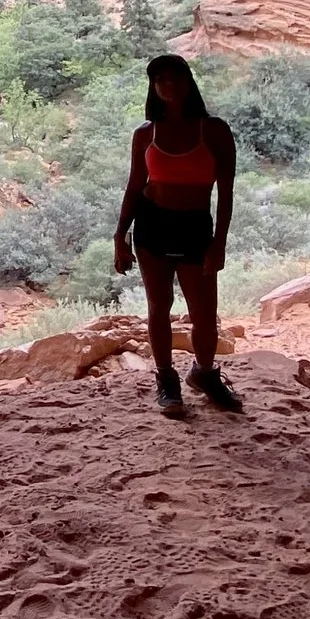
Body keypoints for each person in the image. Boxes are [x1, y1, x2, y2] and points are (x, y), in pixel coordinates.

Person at [112, 53, 242, 418]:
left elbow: (226, 192)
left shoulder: (214, 130)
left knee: (204, 312)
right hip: (152, 224)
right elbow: (135, 187)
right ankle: (166, 379)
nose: (168, 85)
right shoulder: (145, 134)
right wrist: (120, 235)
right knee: (159, 305)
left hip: (196, 226)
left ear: (188, 82)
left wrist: (220, 243)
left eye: (175, 78)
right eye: (160, 80)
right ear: (154, 87)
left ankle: (203, 373)